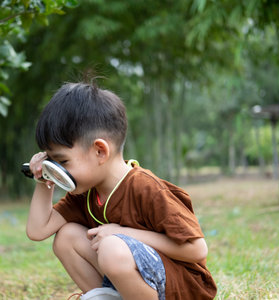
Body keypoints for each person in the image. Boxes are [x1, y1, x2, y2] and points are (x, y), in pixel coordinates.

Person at [25, 81, 217, 300]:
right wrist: (44, 179)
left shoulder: (146, 188)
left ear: (99, 151)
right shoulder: (85, 193)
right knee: (66, 237)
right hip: (138, 279)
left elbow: (197, 249)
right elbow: (38, 230)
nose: (59, 171)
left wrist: (122, 233)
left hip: (184, 288)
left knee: (111, 248)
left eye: (62, 161)